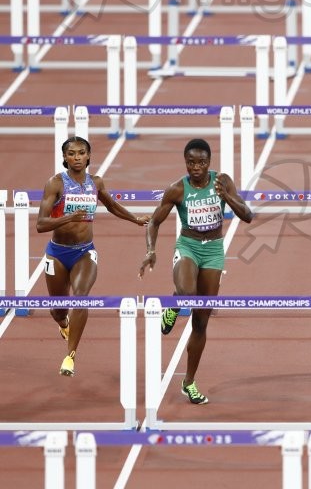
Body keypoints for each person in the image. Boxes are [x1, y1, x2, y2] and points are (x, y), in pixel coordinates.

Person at [139, 139, 253, 405]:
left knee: (201, 322)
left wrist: (227, 198)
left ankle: (188, 382)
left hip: (213, 251)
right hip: (188, 246)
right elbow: (154, 221)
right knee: (187, 293)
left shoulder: (222, 181)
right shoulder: (178, 189)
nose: (196, 167)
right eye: (191, 162)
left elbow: (247, 215)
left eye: (201, 162)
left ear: (209, 163)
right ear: (186, 162)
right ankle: (175, 306)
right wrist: (150, 250)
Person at [37, 136, 150, 376]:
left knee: (80, 297)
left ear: (88, 156)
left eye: (81, 153)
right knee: (58, 310)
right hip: (57, 253)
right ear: (64, 157)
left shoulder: (95, 182)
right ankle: (63, 323)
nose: (76, 157)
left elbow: (111, 205)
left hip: (84, 252)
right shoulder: (55, 184)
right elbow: (40, 224)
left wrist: (135, 219)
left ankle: (70, 356)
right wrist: (69, 217)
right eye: (71, 153)